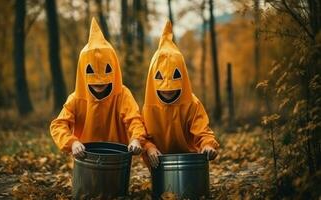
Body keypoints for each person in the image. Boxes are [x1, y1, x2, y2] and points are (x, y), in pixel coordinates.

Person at [50, 18, 146, 156]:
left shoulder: (123, 95)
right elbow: (58, 125)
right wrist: (72, 142)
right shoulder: (76, 98)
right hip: (85, 158)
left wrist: (136, 139)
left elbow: (134, 120)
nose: (99, 81)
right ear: (82, 72)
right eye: (90, 71)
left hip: (117, 158)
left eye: (106, 69)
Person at [142, 21, 219, 168]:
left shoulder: (192, 104)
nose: (168, 88)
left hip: (190, 166)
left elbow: (202, 131)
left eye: (175, 78)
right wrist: (149, 147)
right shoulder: (148, 109)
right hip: (159, 166)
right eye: (161, 80)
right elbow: (142, 136)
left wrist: (208, 145)